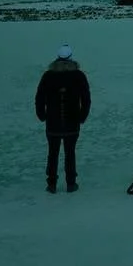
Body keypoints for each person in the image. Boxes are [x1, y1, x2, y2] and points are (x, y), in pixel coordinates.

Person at [35, 43, 91, 193]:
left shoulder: (48, 76)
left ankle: (51, 184)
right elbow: (86, 98)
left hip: (52, 123)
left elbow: (39, 98)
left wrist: (42, 115)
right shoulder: (79, 76)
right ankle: (71, 183)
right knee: (70, 153)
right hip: (72, 123)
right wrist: (82, 116)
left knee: (52, 153)